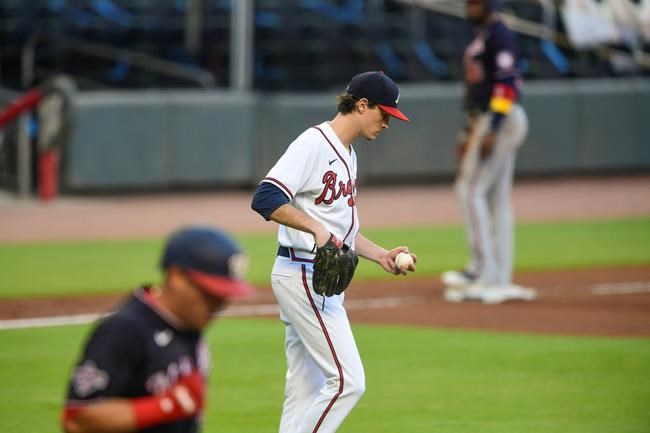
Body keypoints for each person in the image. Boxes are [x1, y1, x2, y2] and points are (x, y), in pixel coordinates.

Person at [251, 71, 417, 433]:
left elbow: (342, 233)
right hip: (303, 275)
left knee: (304, 388)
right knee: (348, 382)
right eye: (384, 114)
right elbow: (265, 198)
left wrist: (382, 255)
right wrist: (313, 227)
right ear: (361, 105)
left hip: (315, 278)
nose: (388, 123)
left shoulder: (348, 153)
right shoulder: (312, 145)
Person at [61, 226, 252, 433]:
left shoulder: (190, 328)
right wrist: (166, 405)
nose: (218, 306)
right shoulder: (125, 330)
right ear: (176, 276)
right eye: (209, 294)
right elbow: (77, 419)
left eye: (223, 297)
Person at [441, 0, 536, 304]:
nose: (471, 6)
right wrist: (469, 131)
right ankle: (498, 277)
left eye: (476, 2)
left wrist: (492, 126)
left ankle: (483, 272)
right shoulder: (483, 33)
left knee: (470, 191)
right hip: (487, 119)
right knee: (494, 198)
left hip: (501, 119)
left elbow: (508, 83)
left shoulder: (499, 34)